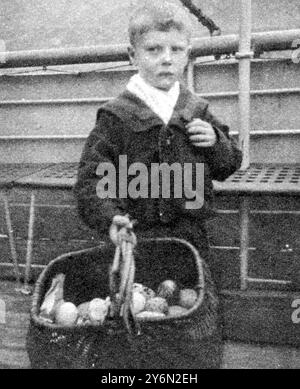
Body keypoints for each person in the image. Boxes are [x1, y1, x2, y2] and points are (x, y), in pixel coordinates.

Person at [74, 1, 242, 368]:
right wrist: (111, 219)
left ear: (187, 55)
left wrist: (216, 142)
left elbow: (230, 164)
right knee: (136, 331)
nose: (166, 59)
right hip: (139, 243)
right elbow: (92, 181)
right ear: (133, 55)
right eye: (154, 49)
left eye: (176, 50)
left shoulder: (197, 111)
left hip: (190, 243)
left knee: (194, 326)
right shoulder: (116, 117)